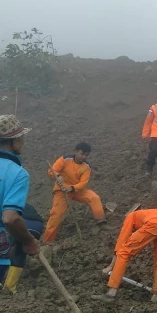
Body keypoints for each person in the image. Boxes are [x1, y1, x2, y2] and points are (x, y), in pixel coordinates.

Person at [91, 208, 157, 303]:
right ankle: (155, 295)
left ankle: (111, 294)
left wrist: (110, 266)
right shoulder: (145, 214)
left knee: (124, 252)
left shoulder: (130, 217)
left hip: (155, 223)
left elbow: (121, 243)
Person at [43, 142, 110, 243]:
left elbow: (83, 183)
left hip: (76, 190)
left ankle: (101, 222)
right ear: (75, 151)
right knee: (56, 215)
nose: (84, 157)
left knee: (94, 197)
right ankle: (47, 241)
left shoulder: (86, 167)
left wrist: (72, 188)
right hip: (61, 191)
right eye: (82, 153)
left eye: (86, 155)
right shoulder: (65, 159)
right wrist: (58, 176)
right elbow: (51, 171)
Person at [0, 115, 39, 279]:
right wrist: (29, 241)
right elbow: (10, 218)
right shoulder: (17, 173)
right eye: (22, 137)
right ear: (14, 142)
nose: (23, 141)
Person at [1, 203, 44, 293]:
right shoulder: (16, 200)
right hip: (37, 227)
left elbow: (9, 219)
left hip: (19, 223)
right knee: (20, 254)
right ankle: (10, 287)